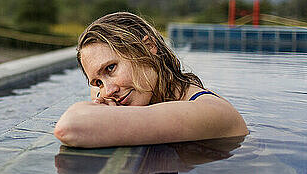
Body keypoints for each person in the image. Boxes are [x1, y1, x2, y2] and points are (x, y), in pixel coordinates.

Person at [54, 12, 248, 148]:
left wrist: (101, 107)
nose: (108, 90)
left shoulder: (209, 111)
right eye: (98, 82)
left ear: (148, 47)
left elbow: (69, 128)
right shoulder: (150, 97)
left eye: (111, 68)